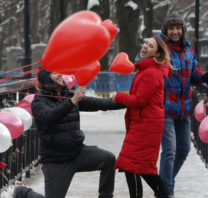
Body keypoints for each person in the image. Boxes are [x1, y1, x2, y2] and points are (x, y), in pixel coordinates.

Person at [13, 69, 124, 198]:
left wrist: (130, 101)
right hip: (56, 160)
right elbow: (49, 117)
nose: (60, 74)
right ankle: (24, 193)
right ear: (46, 79)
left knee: (108, 159)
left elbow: (100, 104)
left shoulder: (69, 95)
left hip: (78, 153)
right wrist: (72, 101)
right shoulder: (39, 101)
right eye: (54, 73)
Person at [158, 13, 208, 198]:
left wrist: (204, 77)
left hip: (183, 108)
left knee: (184, 149)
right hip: (165, 107)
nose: (175, 31)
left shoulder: (188, 49)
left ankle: (163, 185)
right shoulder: (159, 47)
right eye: (171, 28)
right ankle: (166, 191)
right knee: (169, 151)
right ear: (166, 30)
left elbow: (193, 72)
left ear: (182, 30)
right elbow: (142, 62)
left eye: (178, 28)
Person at [112, 36, 170, 198]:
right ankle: (164, 195)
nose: (145, 46)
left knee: (133, 166)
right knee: (140, 166)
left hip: (147, 125)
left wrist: (118, 97)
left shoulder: (151, 72)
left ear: (157, 54)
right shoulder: (145, 69)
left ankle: (163, 194)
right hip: (144, 123)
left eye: (150, 46)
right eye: (146, 43)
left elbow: (140, 100)